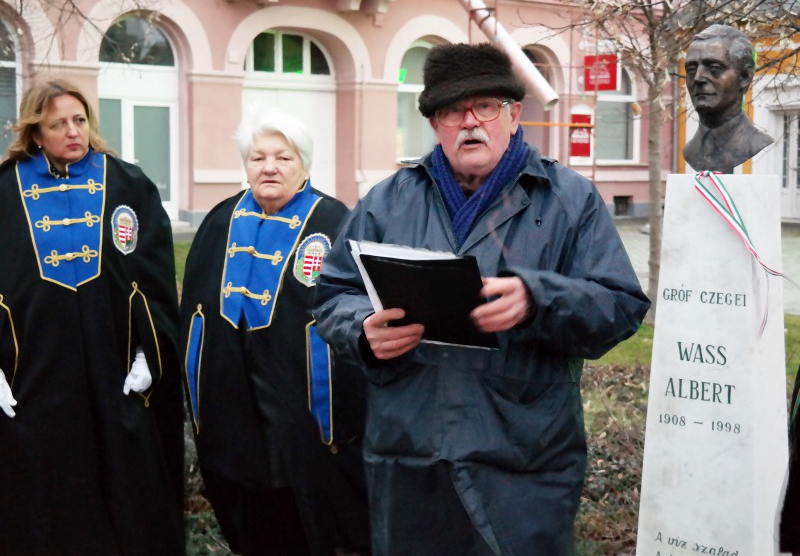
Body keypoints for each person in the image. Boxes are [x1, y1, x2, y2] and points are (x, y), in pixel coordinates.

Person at [313, 42, 651, 556]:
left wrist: (539, 299)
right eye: (453, 110)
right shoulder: (388, 200)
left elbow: (621, 307)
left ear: (514, 115)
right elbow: (333, 293)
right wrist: (362, 328)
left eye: (486, 107)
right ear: (435, 125)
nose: (470, 122)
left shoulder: (568, 199)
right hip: (410, 456)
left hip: (521, 463)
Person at [0, 78, 184, 554]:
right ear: (35, 133)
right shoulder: (2, 191)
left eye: (79, 120)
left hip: (114, 365)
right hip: (34, 370)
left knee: (125, 483)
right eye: (57, 123)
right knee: (46, 486)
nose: (73, 131)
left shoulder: (129, 183)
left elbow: (155, 275)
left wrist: (152, 350)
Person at [181, 106, 370, 556]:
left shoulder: (334, 221)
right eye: (258, 157)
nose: (269, 167)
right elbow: (196, 307)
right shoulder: (220, 220)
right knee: (247, 499)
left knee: (315, 505)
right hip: (232, 399)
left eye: (283, 158)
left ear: (304, 163)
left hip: (306, 403)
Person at [683, 24, 773, 173]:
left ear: (744, 77)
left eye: (714, 68)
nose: (698, 78)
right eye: (691, 70)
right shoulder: (690, 151)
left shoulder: (756, 143)